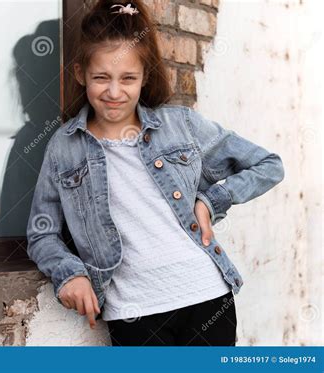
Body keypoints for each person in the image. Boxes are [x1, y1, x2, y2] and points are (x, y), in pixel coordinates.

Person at [26, 0, 285, 346]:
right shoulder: (64, 146)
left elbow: (269, 165)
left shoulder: (181, 126)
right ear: (80, 74)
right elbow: (42, 233)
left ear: (144, 77)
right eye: (101, 78)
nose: (114, 92)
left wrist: (210, 201)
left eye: (128, 78)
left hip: (207, 298)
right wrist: (69, 274)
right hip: (132, 313)